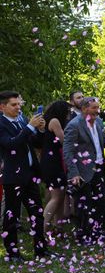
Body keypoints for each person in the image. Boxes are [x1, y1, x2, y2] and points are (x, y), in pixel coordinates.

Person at [0, 91, 49, 261]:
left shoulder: (21, 119)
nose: (18, 107)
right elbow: (10, 143)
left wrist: (40, 130)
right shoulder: (1, 124)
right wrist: (29, 127)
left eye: (19, 104)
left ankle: (41, 250)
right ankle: (13, 253)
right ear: (2, 107)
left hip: (29, 174)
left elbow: (33, 142)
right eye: (13, 105)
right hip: (13, 177)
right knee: (12, 216)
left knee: (37, 212)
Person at [63, 97, 105, 243]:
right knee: (84, 205)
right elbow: (68, 151)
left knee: (101, 201)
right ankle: (83, 235)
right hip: (82, 171)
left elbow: (97, 141)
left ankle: (97, 232)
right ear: (84, 109)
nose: (98, 111)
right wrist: (74, 173)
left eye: (98, 107)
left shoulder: (97, 121)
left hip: (99, 167)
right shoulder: (74, 125)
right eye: (94, 108)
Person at [41, 100, 71, 235]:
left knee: (59, 195)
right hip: (54, 162)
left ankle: (58, 227)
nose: (68, 115)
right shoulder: (54, 121)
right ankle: (43, 229)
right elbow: (64, 140)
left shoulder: (47, 120)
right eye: (67, 112)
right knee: (56, 197)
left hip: (51, 161)